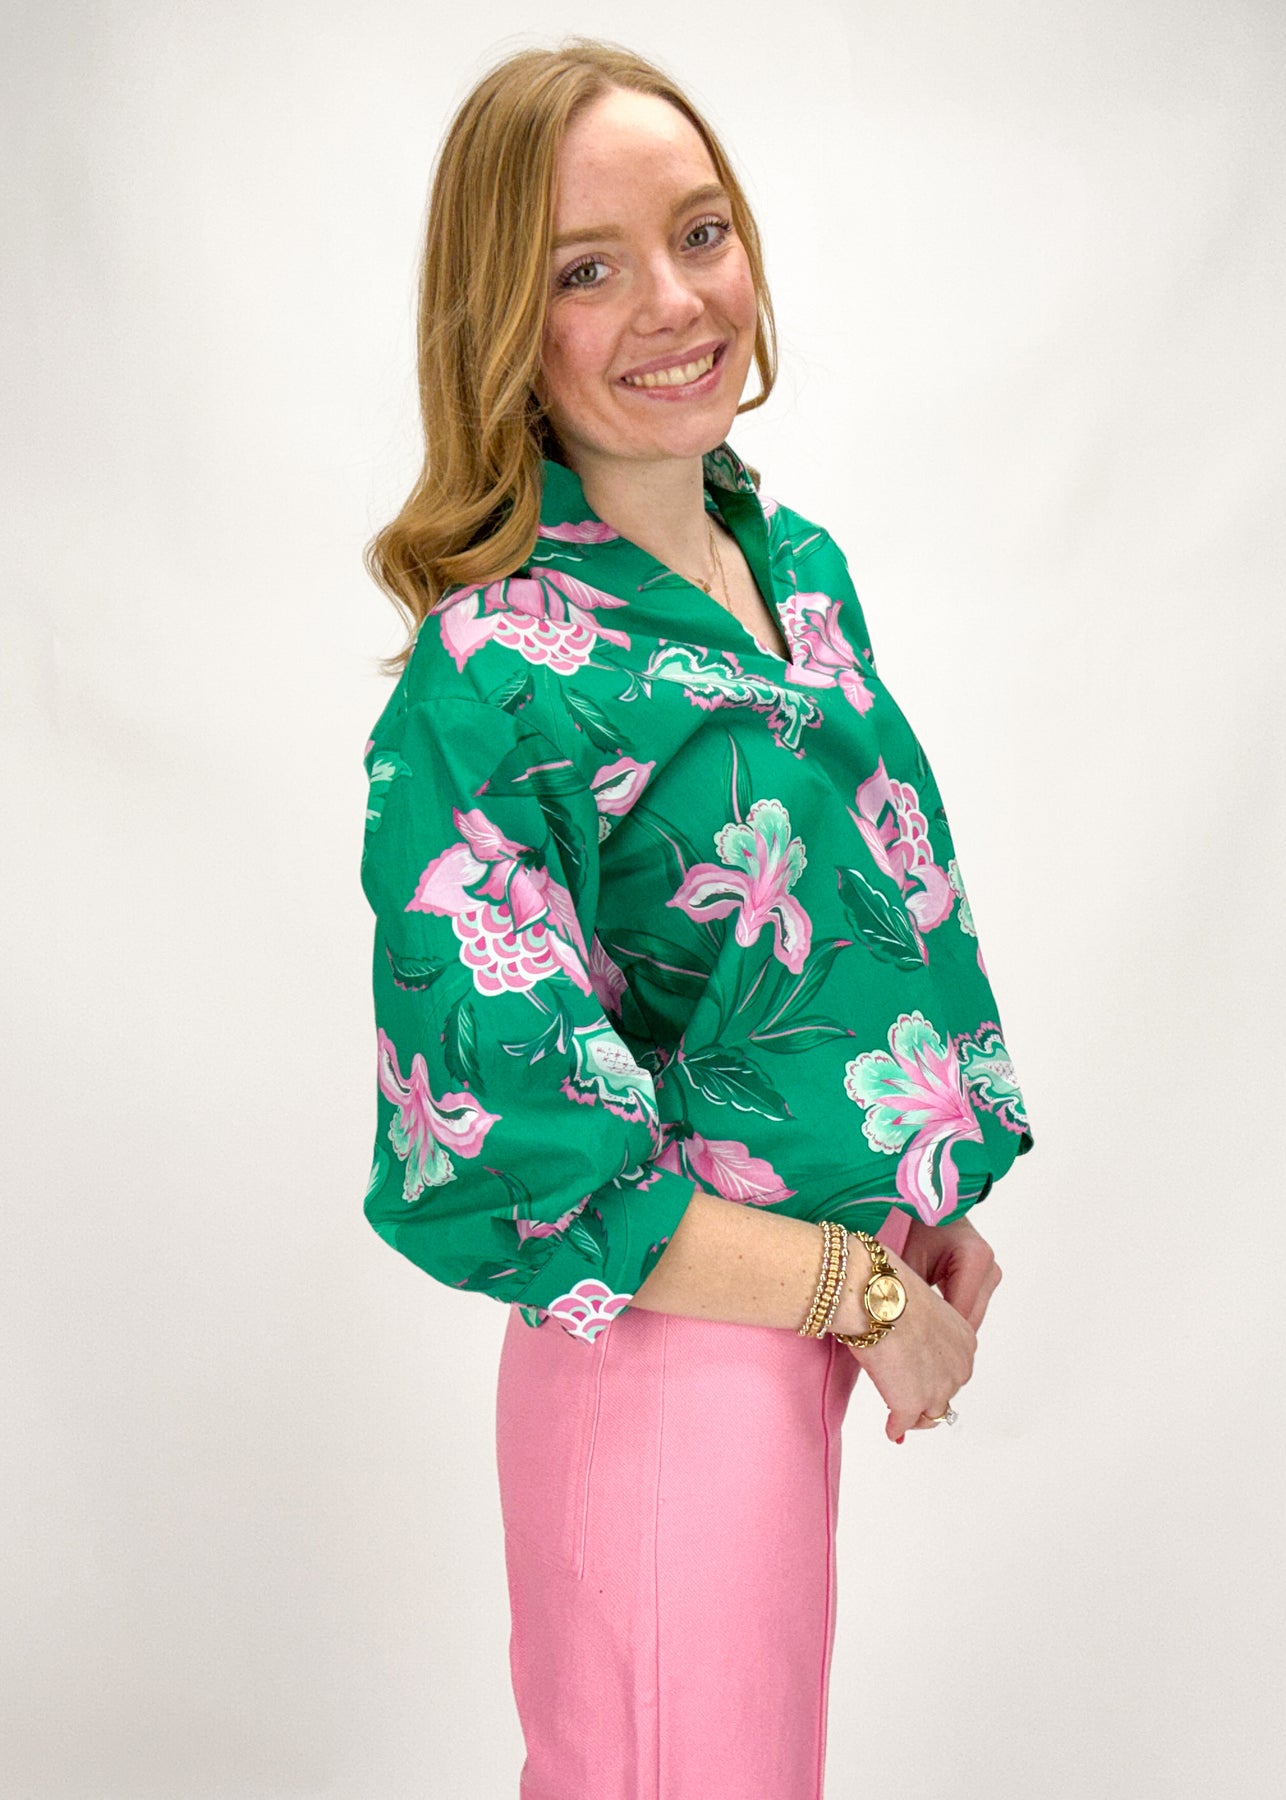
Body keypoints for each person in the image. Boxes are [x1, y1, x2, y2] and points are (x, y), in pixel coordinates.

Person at [359, 36, 1034, 1800]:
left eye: (701, 232)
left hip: (782, 1328)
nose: (674, 301)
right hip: (658, 1360)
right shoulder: (490, 680)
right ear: (502, 325)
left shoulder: (790, 570)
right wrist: (854, 1293)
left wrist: (909, 1199)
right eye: (586, 269)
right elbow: (516, 1145)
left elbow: (818, 951)